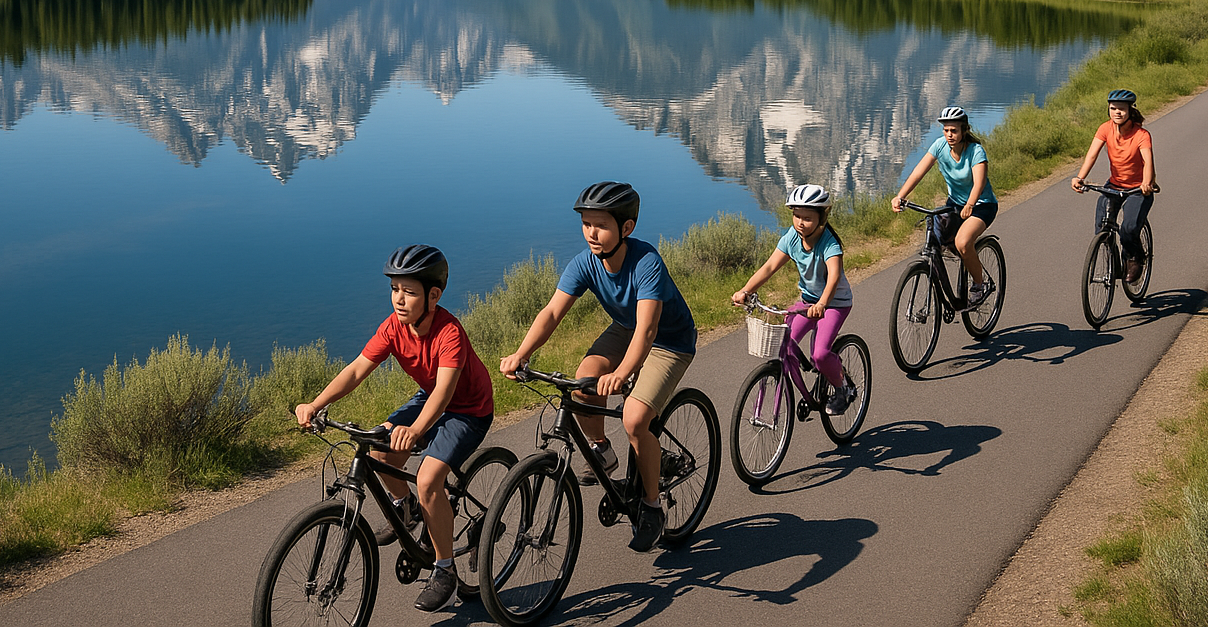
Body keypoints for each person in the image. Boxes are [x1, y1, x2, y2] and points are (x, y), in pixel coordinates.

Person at [499, 181, 697, 553]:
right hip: (625, 329)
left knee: (636, 419)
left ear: (626, 228)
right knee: (581, 383)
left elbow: (649, 328)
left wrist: (623, 372)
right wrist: (521, 353)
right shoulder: (586, 263)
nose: (591, 232)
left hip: (670, 341)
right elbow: (553, 312)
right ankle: (602, 449)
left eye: (600, 225)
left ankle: (652, 508)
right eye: (586, 223)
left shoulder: (646, 262)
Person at [296, 244, 493, 614]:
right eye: (395, 289)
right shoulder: (393, 327)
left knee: (430, 478)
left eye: (410, 292)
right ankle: (406, 509)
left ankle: (445, 571)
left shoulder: (449, 332)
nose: (399, 299)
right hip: (430, 397)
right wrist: (316, 403)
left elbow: (446, 393)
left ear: (433, 296)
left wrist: (416, 430)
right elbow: (356, 370)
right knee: (378, 449)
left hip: (468, 409)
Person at [731, 184, 855, 414]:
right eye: (796, 216)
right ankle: (806, 386)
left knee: (819, 354)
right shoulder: (792, 237)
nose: (800, 222)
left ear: (822, 217)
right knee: (783, 343)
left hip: (834, 304)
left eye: (807, 218)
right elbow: (769, 267)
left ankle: (843, 388)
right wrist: (745, 291)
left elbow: (834, 276)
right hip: (808, 302)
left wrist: (822, 304)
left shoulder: (829, 244)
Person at [891, 106, 999, 305]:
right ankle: (939, 280)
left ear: (964, 130)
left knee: (963, 243)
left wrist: (970, 204)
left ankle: (979, 283)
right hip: (955, 204)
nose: (949, 135)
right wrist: (900, 196)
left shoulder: (975, 151)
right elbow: (917, 173)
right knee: (935, 239)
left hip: (981, 205)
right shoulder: (939, 146)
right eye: (946, 130)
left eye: (954, 131)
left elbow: (979, 183)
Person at [1072, 89, 1155, 283]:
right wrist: (1079, 177)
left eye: (1121, 109)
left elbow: (1149, 162)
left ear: (1130, 110)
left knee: (1128, 228)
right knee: (1102, 226)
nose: (1117, 112)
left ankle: (1135, 258)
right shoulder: (1105, 129)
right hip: (1115, 186)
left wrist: (1147, 183)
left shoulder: (1141, 135)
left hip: (1137, 189)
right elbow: (1092, 155)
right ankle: (1110, 257)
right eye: (1113, 108)